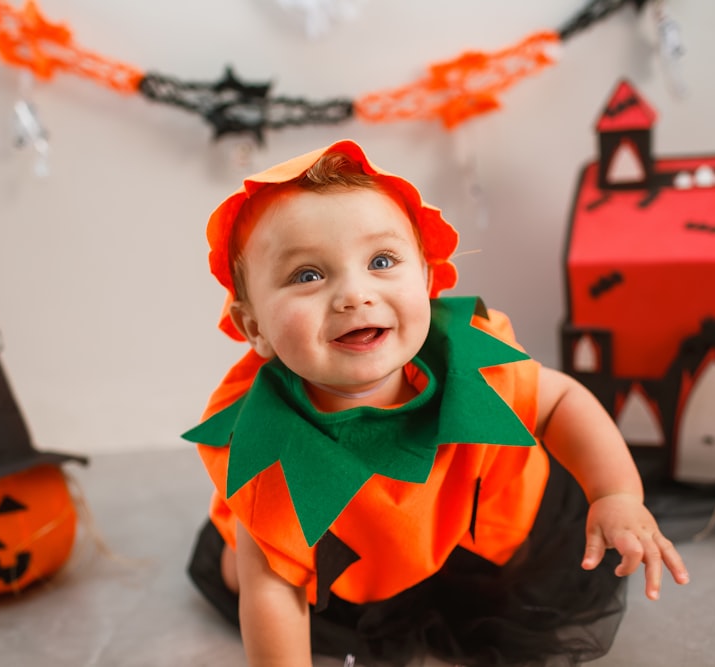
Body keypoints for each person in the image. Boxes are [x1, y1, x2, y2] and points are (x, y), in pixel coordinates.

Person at [184, 139, 689, 667]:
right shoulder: (268, 443)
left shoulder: (471, 362)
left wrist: (615, 494)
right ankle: (253, 548)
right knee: (249, 569)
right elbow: (274, 591)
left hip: (472, 527)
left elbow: (561, 402)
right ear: (254, 328)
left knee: (518, 581)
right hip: (361, 558)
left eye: (381, 260)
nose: (355, 295)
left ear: (426, 280)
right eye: (308, 275)